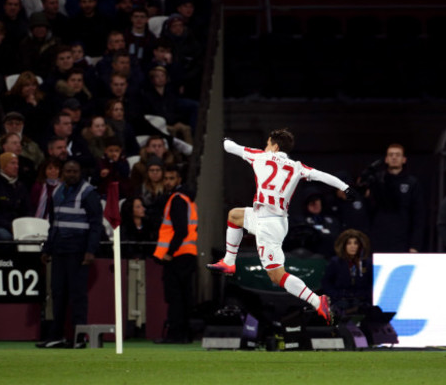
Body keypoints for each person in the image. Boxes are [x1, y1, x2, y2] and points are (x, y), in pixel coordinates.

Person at [206, 129, 358, 325]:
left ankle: (316, 301)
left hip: (268, 225)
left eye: (268, 144)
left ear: (274, 146)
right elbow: (322, 175)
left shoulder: (260, 156)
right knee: (235, 216)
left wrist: (223, 138)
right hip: (272, 219)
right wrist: (345, 187)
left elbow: (230, 147)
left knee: (277, 276)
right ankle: (229, 261)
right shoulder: (296, 166)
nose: (265, 147)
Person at [37, 160, 103, 348]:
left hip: (78, 250)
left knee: (77, 294)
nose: (71, 174)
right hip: (59, 250)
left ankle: (79, 337)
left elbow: (95, 224)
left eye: (75, 171)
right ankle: (56, 335)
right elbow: (53, 224)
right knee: (58, 293)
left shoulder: (88, 193)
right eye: (68, 171)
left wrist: (91, 250)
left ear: (80, 172)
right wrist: (47, 249)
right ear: (62, 172)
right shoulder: (57, 192)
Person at [153, 165, 197, 344]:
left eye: (171, 178)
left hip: (178, 255)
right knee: (185, 296)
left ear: (179, 180)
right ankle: (186, 334)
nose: (168, 182)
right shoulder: (187, 199)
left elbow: (180, 231)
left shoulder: (176, 199)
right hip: (188, 253)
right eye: (166, 178)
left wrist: (169, 253)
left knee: (175, 297)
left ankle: (176, 335)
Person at [359, 143, 424, 253]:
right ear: (386, 159)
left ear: (404, 159)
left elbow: (418, 216)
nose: (394, 157)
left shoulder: (412, 183)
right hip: (379, 238)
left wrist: (415, 245)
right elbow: (368, 212)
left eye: (397, 155)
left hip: (403, 239)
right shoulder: (377, 180)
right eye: (391, 155)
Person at [321, 229, 373, 317]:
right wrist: (336, 295)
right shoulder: (335, 262)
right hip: (340, 299)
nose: (353, 246)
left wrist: (364, 295)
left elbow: (371, 284)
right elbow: (326, 283)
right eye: (349, 243)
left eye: (356, 243)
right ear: (344, 245)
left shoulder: (366, 263)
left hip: (360, 300)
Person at [0, 152, 30, 240]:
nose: (16, 166)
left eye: (17, 163)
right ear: (3, 165)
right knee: (6, 237)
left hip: (19, 225)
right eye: (12, 163)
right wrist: (9, 225)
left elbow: (27, 209)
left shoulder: (20, 186)